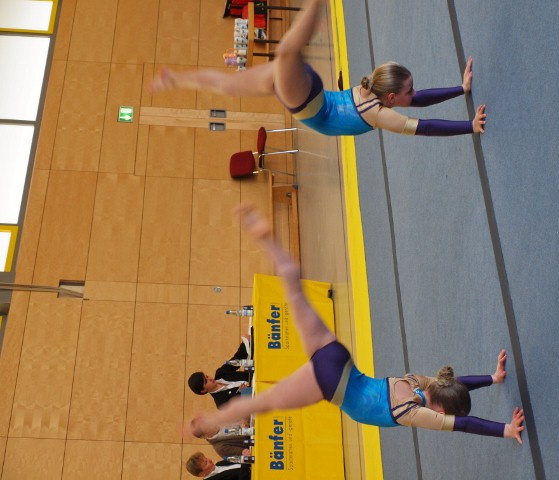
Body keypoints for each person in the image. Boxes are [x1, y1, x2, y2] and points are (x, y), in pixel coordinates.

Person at [188, 204, 525, 443]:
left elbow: (452, 386)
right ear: (440, 410)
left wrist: (492, 378)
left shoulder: (417, 382)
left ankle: (267, 240)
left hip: (338, 360)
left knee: (295, 290)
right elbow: (462, 424)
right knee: (265, 400)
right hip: (334, 376)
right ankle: (211, 420)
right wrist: (505, 430)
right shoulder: (412, 412)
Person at [149, 0, 486, 138]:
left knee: (263, 67)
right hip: (308, 98)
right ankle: (177, 79)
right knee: (282, 53)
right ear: (392, 96)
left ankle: (177, 79)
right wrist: (467, 117)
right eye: (408, 89)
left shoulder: (378, 97)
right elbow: (423, 117)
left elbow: (421, 109)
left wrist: (462, 95)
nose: (414, 93)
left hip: (310, 97)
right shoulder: (380, 110)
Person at [188, 337, 251, 408]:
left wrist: (245, 342)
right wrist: (245, 393)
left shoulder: (220, 372)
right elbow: (244, 410)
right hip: (258, 395)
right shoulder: (221, 403)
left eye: (207, 376)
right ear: (203, 390)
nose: (210, 379)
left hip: (258, 375)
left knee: (251, 363)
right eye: (206, 381)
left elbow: (237, 360)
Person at [185, 452, 251, 480]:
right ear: (201, 474)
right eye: (206, 463)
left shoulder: (219, 463)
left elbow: (240, 458)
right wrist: (245, 462)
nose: (210, 460)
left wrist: (244, 453)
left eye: (206, 458)